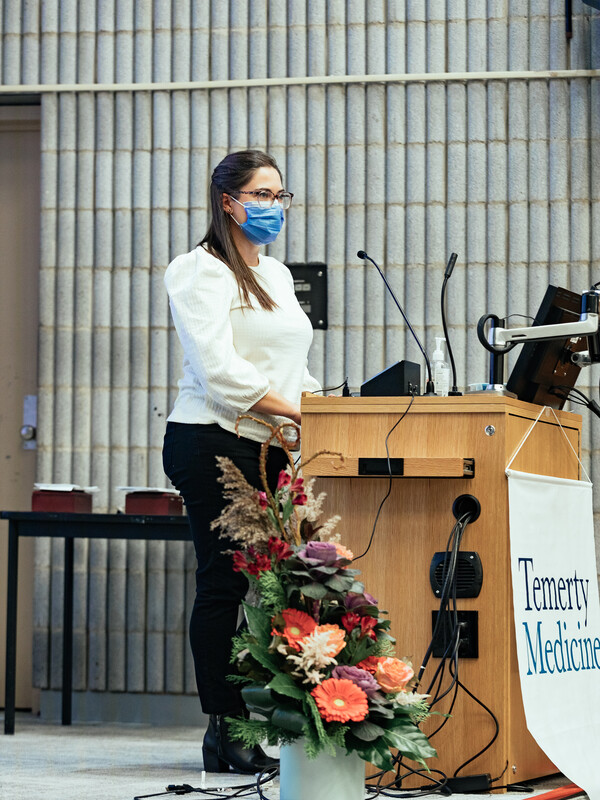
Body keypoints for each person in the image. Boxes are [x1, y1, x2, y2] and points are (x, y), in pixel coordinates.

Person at [162, 150, 321, 773]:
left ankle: (274, 719)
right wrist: (294, 413)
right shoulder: (197, 271)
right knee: (225, 582)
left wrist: (328, 404)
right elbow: (219, 371)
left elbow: (290, 365)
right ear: (229, 201)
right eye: (262, 195)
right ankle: (225, 730)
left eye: (281, 196)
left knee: (283, 584)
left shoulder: (276, 276)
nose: (274, 207)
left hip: (270, 444)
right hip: (212, 440)